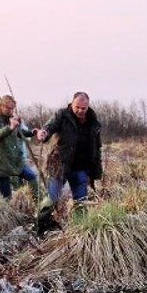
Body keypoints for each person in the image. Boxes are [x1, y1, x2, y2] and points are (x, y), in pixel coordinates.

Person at [34, 91, 102, 232]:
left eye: (83, 108)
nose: (80, 111)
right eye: (77, 107)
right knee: (51, 200)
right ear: (72, 103)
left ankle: (79, 232)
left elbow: (97, 148)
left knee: (81, 204)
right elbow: (49, 127)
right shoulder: (62, 115)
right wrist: (43, 133)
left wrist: (95, 172)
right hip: (59, 165)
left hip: (81, 168)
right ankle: (39, 227)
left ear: (88, 106)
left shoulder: (94, 122)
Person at [0, 95, 39, 201]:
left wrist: (32, 133)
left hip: (14, 160)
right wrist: (10, 127)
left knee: (32, 177)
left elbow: (20, 133)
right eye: (8, 108)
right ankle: (7, 213)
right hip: (0, 162)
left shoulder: (12, 119)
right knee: (7, 197)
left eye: (12, 108)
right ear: (1, 106)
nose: (10, 111)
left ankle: (36, 204)